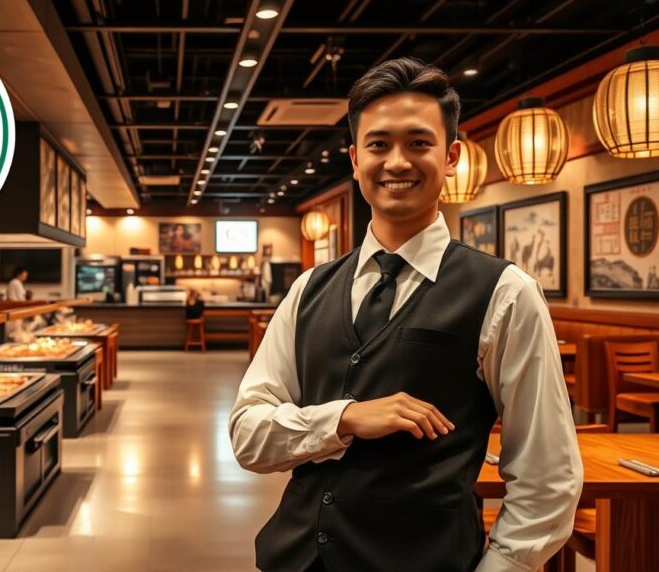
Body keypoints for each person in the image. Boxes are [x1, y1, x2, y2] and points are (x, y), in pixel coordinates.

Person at [229, 58, 581, 572]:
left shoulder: (505, 292)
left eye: (418, 143)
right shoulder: (309, 289)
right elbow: (248, 434)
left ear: (452, 155)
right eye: (378, 144)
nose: (396, 162)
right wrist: (344, 417)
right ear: (354, 159)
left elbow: (547, 475)